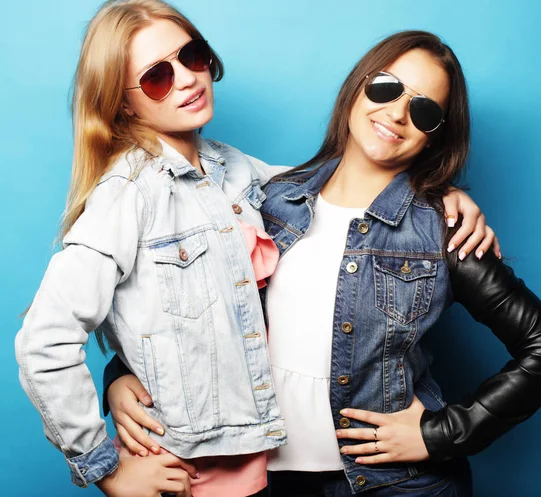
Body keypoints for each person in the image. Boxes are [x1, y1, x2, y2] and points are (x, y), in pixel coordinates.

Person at [14, 1, 494, 496]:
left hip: (260, 470)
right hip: (188, 468)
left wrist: (434, 194)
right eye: (157, 75)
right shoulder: (128, 194)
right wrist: (106, 467)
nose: (186, 79)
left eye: (192, 56)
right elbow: (44, 342)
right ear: (123, 102)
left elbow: (334, 189)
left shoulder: (233, 170)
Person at [105, 29, 541, 497]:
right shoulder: (267, 200)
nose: (396, 113)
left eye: (424, 110)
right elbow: (182, 309)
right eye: (387, 88)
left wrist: (439, 434)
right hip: (265, 480)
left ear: (436, 137)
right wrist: (119, 375)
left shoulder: (443, 229)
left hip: (398, 486)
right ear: (358, 88)